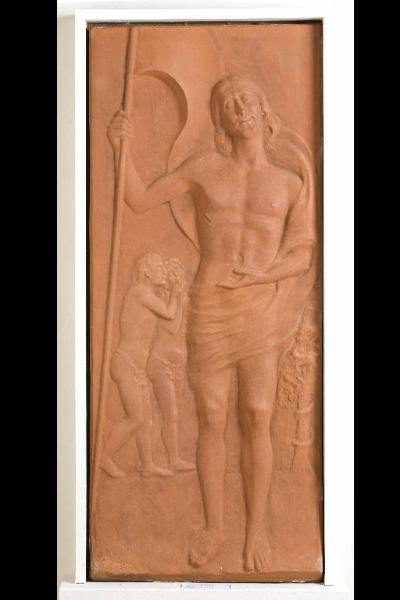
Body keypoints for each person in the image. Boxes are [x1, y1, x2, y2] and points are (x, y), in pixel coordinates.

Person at [107, 74, 317, 571]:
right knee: (212, 415)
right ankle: (214, 526)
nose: (239, 107)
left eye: (247, 98)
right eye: (228, 103)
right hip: (210, 305)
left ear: (264, 110)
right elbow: (139, 199)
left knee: (259, 412)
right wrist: (121, 148)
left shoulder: (289, 183)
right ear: (220, 119)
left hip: (259, 307)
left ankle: (257, 527)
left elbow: (303, 253)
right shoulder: (204, 168)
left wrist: (262, 274)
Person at [100, 252, 181, 479]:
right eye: (159, 267)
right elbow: (169, 312)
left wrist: (177, 296)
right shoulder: (139, 292)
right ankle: (104, 456)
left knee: (146, 420)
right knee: (136, 417)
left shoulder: (149, 297)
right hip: (125, 364)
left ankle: (147, 465)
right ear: (146, 271)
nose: (163, 271)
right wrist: (174, 293)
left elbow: (172, 326)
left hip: (137, 368)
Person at [147, 258, 195, 473]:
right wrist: (178, 298)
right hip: (161, 364)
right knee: (169, 413)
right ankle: (170, 459)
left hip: (178, 365)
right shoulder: (162, 300)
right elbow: (172, 328)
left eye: (178, 274)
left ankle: (160, 458)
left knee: (167, 414)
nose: (175, 278)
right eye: (171, 274)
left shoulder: (183, 299)